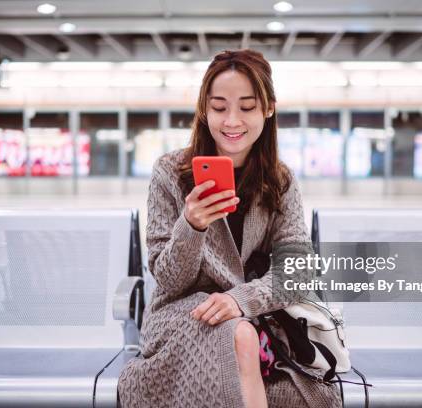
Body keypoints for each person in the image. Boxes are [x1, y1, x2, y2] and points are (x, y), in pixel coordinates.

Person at [118, 49, 341, 408]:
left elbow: (296, 272)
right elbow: (168, 281)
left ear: (268, 108)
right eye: (219, 107)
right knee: (240, 338)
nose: (232, 120)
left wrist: (241, 300)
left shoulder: (280, 182)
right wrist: (191, 226)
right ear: (204, 110)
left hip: (255, 313)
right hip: (181, 316)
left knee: (246, 340)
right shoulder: (170, 174)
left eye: (247, 107)